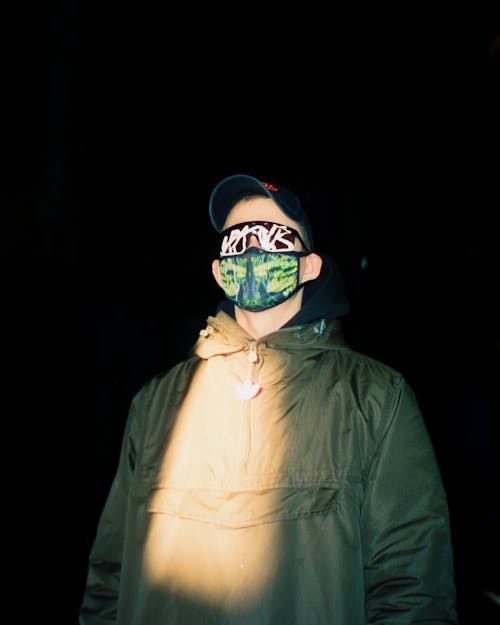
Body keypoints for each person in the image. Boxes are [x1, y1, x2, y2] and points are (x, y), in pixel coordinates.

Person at [79, 174, 458, 624]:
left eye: (274, 239)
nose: (253, 253)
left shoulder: (376, 397)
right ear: (219, 269)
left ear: (310, 266)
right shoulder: (156, 402)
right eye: (237, 243)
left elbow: (412, 586)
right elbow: (110, 577)